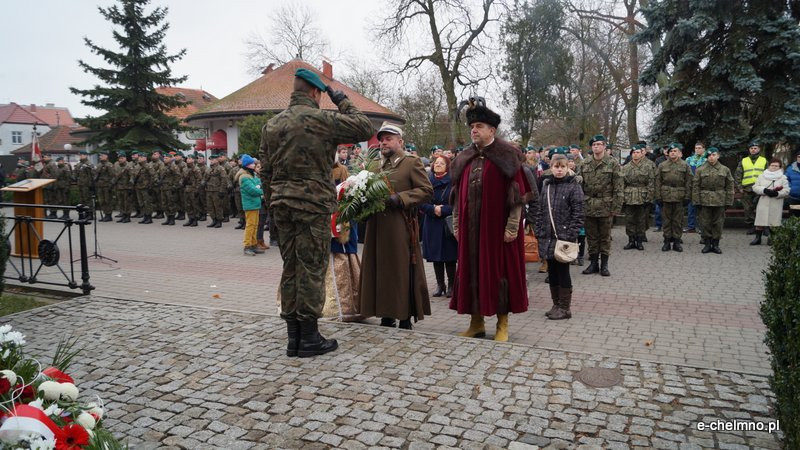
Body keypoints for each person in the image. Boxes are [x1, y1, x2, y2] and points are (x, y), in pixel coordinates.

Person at [261, 67, 374, 357]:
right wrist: (341, 100)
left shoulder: (272, 125)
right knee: (311, 268)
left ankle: (293, 338)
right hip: (312, 207)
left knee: (291, 267)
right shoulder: (322, 119)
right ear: (314, 92)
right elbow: (363, 127)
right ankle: (309, 338)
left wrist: (274, 203)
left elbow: (266, 172)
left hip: (282, 206)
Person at [450, 101, 532, 342]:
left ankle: (502, 324)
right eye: (472, 126)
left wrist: (512, 227)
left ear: (492, 131)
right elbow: (456, 197)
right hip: (469, 231)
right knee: (472, 273)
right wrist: (456, 225)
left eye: (479, 126)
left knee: (499, 275)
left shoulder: (507, 156)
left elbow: (517, 197)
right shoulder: (464, 157)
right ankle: (476, 323)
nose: (474, 130)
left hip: (497, 232)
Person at [360, 123, 433, 329]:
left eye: (389, 138)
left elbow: (426, 190)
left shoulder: (411, 163)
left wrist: (401, 198)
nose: (384, 142)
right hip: (376, 227)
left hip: (400, 226)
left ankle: (404, 316)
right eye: (381, 138)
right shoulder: (374, 166)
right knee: (380, 269)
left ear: (400, 142)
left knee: (400, 270)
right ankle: (385, 313)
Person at [535, 154, 584, 320]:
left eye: (563, 166)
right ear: (551, 167)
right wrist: (539, 230)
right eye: (556, 166)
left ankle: (565, 308)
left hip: (563, 238)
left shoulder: (573, 186)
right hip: (548, 237)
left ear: (568, 167)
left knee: (563, 272)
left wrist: (570, 235)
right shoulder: (546, 185)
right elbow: (540, 211)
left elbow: (578, 214)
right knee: (553, 272)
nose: (560, 170)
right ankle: (556, 304)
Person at [321, 161, 361, 321]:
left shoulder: (342, 171)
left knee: (342, 260)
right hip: (322, 219)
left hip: (341, 221)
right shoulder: (314, 168)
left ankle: (346, 307)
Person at [579, 135, 623, 276]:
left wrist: (616, 208)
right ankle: (593, 264)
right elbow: (579, 187)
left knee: (605, 237)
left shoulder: (613, 163)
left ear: (604, 146)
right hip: (589, 204)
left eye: (599, 144)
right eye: (594, 145)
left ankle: (604, 265)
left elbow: (618, 187)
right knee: (591, 237)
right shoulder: (585, 163)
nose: (596, 147)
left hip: (606, 204)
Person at [420, 155, 458, 298]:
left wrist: (444, 210)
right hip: (432, 223)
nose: (438, 165)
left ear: (447, 166)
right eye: (436, 163)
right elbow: (421, 203)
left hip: (447, 224)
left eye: (442, 163)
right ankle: (440, 285)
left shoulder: (453, 182)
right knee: (435, 257)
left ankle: (452, 286)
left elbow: (457, 204)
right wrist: (433, 209)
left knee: (449, 257)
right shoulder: (427, 182)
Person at [692, 147, 734, 254]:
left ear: (718, 156)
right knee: (705, 223)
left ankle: (715, 244)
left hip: (720, 199)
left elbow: (730, 186)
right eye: (709, 155)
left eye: (713, 155)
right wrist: (696, 201)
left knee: (718, 223)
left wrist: (729, 201)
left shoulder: (725, 169)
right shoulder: (700, 169)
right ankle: (707, 243)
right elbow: (696, 186)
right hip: (704, 199)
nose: (711, 157)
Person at [655, 143, 692, 252]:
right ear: (668, 153)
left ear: (679, 152)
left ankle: (676, 242)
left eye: (675, 151)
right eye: (671, 151)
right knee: (666, 220)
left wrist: (687, 196)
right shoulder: (662, 165)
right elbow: (657, 181)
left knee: (678, 221)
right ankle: (666, 242)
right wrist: (658, 197)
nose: (672, 153)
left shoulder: (685, 165)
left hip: (679, 196)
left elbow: (689, 182)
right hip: (665, 196)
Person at [621, 144, 654, 250]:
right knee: (629, 219)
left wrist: (649, 198)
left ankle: (639, 241)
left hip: (642, 195)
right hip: (629, 196)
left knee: (641, 220)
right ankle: (631, 240)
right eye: (633, 153)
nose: (635, 154)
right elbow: (621, 184)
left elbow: (651, 183)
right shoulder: (625, 167)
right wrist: (622, 198)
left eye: (637, 152)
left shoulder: (648, 166)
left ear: (642, 154)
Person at [750, 159, 790, 245]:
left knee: (774, 222)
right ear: (769, 166)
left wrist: (777, 193)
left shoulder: (783, 177)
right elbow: (755, 187)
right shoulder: (762, 176)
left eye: (776, 166)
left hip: (776, 202)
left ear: (779, 167)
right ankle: (758, 238)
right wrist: (764, 190)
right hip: (763, 201)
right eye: (772, 165)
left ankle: (772, 239)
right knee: (760, 221)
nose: (774, 167)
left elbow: (786, 191)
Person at [734, 142, 768, 234]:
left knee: (761, 208)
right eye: (751, 148)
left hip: (761, 188)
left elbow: (768, 174)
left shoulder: (764, 160)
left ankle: (763, 227)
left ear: (759, 149)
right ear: (749, 150)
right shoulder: (744, 161)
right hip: (746, 189)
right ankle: (752, 226)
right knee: (748, 209)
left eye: (755, 148)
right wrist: (739, 187)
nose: (753, 149)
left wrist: (766, 188)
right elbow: (738, 174)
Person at [237, 154, 264, 256]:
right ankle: (247, 246)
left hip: (255, 204)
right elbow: (253, 190)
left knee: (255, 225)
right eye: (253, 163)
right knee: (250, 226)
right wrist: (262, 191)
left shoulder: (252, 175)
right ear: (248, 165)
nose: (255, 164)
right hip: (250, 205)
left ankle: (253, 245)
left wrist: (258, 187)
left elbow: (258, 183)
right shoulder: (244, 177)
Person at [685, 142, 708, 233]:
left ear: (704, 149)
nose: (697, 150)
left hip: (702, 187)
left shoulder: (706, 160)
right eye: (696, 148)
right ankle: (691, 226)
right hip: (691, 186)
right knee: (691, 207)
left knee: (702, 208)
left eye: (699, 148)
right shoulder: (689, 159)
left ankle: (702, 227)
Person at [132, 153, 155, 224]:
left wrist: (150, 186)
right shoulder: (137, 166)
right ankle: (144, 216)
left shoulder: (148, 166)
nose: (139, 158)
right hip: (138, 187)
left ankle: (149, 217)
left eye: (141, 157)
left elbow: (153, 176)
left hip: (145, 187)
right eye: (139, 157)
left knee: (147, 203)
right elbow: (133, 175)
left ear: (145, 158)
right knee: (141, 203)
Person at [113, 152, 134, 223]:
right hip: (119, 187)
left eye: (122, 158)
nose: (120, 160)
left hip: (126, 187)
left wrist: (130, 187)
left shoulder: (128, 166)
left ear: (125, 158)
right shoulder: (117, 165)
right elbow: (115, 176)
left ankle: (127, 216)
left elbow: (132, 177)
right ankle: (123, 215)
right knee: (121, 202)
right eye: (119, 158)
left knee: (127, 203)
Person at [94, 152, 115, 222]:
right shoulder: (99, 165)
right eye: (100, 156)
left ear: (106, 156)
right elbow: (96, 175)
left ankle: (108, 215)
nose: (100, 157)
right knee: (101, 201)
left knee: (107, 200)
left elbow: (112, 175)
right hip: (100, 186)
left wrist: (111, 186)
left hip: (107, 186)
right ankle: (105, 213)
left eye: (102, 156)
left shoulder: (109, 165)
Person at [786, 149, 800, 217]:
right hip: (793, 197)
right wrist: (791, 189)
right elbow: (786, 180)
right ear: (797, 157)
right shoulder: (790, 168)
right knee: (793, 217)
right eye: (799, 156)